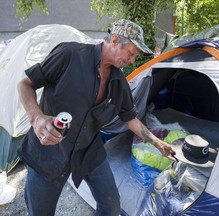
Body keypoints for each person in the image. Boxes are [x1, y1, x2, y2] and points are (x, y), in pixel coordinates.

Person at [17, 19, 176, 216]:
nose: (133, 60)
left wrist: (158, 144)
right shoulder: (70, 54)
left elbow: (131, 119)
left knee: (111, 205)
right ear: (115, 40)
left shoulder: (119, 82)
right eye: (131, 53)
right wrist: (37, 118)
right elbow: (25, 84)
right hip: (48, 150)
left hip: (88, 150)